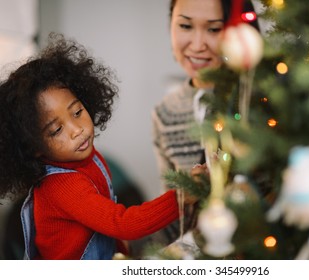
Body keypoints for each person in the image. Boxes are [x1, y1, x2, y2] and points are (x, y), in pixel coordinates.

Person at [0, 33, 195, 260]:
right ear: (34, 146)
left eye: (77, 112)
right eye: (56, 130)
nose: (77, 129)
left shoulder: (88, 157)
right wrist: (181, 196)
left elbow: (105, 223)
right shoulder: (63, 187)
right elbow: (122, 223)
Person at [152, 0, 261, 191]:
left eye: (213, 29)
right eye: (185, 26)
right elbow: (171, 206)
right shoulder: (165, 113)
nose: (197, 45)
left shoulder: (262, 101)